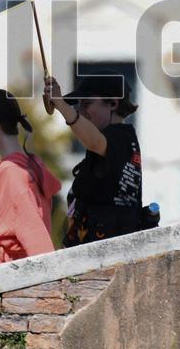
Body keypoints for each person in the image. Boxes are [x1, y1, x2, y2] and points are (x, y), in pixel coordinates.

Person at [44, 72, 147, 246]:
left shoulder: (119, 137)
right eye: (79, 105)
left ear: (113, 103)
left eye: (87, 103)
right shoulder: (120, 141)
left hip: (106, 257)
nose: (81, 111)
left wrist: (60, 104)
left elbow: (94, 141)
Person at [0, 89, 61, 270]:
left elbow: (33, 232)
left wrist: (52, 280)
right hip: (7, 271)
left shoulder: (12, 172)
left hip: (3, 274)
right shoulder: (31, 166)